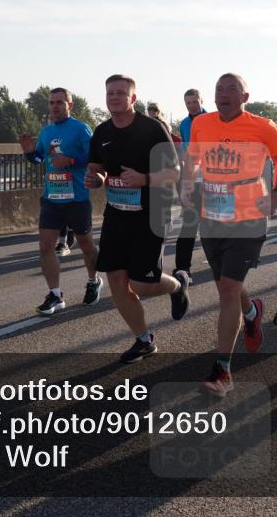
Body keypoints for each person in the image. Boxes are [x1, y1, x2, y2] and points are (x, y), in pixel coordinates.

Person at [183, 72, 277, 395]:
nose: (224, 93)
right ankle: (252, 311)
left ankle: (222, 371)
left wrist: (276, 193)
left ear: (245, 97)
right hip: (213, 217)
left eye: (232, 89)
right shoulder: (202, 124)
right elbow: (192, 161)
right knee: (227, 287)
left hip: (248, 217)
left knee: (228, 288)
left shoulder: (263, 127)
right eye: (219, 88)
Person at [84, 75, 189, 363]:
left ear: (133, 98)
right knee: (117, 280)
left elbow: (176, 172)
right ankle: (143, 340)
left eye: (121, 93)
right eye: (110, 93)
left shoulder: (151, 128)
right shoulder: (102, 132)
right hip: (117, 214)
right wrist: (95, 179)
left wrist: (144, 178)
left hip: (152, 212)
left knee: (141, 283)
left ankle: (178, 285)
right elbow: (98, 169)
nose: (114, 97)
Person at [19, 88, 102, 315]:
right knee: (46, 246)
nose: (55, 106)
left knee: (86, 245)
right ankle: (55, 295)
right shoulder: (46, 132)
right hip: (52, 197)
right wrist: (28, 153)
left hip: (77, 197)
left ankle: (93, 280)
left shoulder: (80, 129)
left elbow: (95, 157)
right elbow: (40, 158)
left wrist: (72, 160)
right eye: (52, 103)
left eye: (59, 102)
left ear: (69, 105)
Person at [174, 89, 208, 281]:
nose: (192, 105)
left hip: (214, 181)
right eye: (188, 102)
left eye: (195, 101)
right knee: (188, 225)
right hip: (194, 179)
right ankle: (182, 269)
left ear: (201, 101)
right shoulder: (184, 124)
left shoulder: (213, 118)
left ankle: (224, 261)